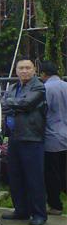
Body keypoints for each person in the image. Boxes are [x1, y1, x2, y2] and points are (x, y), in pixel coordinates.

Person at [1, 57, 47, 225]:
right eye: (21, 68)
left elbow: (27, 103)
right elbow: (4, 105)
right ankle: (21, 210)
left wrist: (11, 104)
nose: (24, 71)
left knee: (34, 177)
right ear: (16, 71)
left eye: (28, 68)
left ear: (34, 70)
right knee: (16, 177)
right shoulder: (13, 87)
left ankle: (39, 213)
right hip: (14, 138)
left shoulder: (39, 86)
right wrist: (15, 104)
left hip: (31, 137)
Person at [39, 61, 67, 216]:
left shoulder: (46, 88)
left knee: (52, 173)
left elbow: (43, 111)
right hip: (65, 134)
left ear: (43, 73)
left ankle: (55, 205)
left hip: (52, 137)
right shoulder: (65, 85)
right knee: (63, 170)